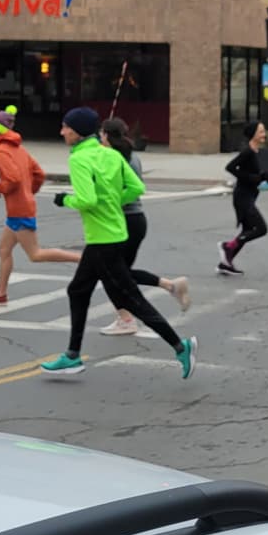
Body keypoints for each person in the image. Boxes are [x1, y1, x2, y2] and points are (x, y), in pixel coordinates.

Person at [40, 107, 196, 378]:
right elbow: (137, 188)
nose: (61, 131)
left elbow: (87, 200)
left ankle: (180, 347)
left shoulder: (79, 159)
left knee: (129, 299)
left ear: (77, 132)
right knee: (78, 291)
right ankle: (72, 356)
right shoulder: (111, 154)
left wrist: (64, 200)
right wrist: (112, 202)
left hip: (103, 240)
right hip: (113, 234)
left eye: (65, 127)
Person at [0, 106, 79, 306]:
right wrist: (29, 192)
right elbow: (39, 174)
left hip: (19, 210)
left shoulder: (1, 151)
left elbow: (12, 179)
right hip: (20, 207)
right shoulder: (19, 149)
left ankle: (82, 259)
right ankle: (0, 293)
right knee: (4, 249)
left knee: (35, 254)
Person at [97, 119, 191, 337]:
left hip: (123, 220)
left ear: (107, 136)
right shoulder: (132, 155)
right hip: (137, 219)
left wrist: (105, 203)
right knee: (118, 273)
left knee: (112, 273)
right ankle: (169, 287)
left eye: (101, 135)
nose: (99, 139)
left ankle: (127, 318)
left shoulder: (115, 158)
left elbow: (124, 190)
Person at [218, 121, 268, 276]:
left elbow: (252, 174)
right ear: (253, 134)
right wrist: (253, 178)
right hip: (242, 197)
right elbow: (230, 167)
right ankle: (227, 246)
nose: (264, 134)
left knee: (247, 230)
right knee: (261, 229)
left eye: (264, 131)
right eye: (261, 132)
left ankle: (225, 263)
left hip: (249, 196)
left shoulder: (255, 151)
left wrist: (263, 176)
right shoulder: (247, 152)